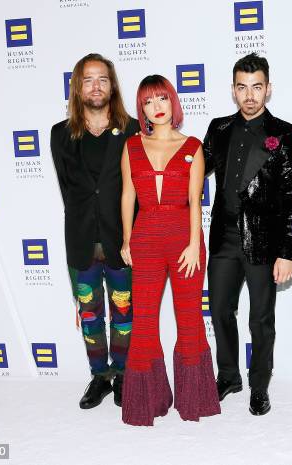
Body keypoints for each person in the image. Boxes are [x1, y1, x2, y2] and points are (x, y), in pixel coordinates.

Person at [120, 75, 221, 426]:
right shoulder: (132, 146)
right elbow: (128, 196)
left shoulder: (193, 145)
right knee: (144, 320)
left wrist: (195, 244)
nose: (156, 107)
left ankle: (194, 402)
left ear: (172, 102)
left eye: (162, 98)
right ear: (142, 108)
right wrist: (126, 239)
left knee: (189, 319)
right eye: (148, 101)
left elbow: (196, 201)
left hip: (184, 240)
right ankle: (148, 401)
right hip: (145, 238)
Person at [203, 53, 292, 416]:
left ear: (268, 89)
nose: (249, 95)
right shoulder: (219, 129)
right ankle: (228, 375)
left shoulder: (285, 135)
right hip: (224, 238)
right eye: (242, 88)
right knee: (219, 311)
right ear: (233, 90)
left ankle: (259, 386)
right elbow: (194, 169)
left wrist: (289, 251)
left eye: (256, 87)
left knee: (261, 320)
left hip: (264, 241)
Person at [50, 53, 139, 409]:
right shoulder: (60, 134)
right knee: (89, 316)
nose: (96, 86)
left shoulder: (132, 130)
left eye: (102, 79)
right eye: (88, 80)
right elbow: (69, 190)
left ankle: (122, 374)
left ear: (112, 84)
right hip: (81, 240)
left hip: (123, 243)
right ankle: (99, 376)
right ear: (77, 87)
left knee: (124, 313)